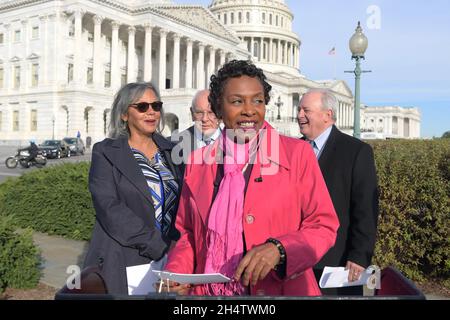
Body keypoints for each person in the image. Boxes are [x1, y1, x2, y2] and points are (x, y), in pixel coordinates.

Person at [160, 60, 339, 296]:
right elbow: (187, 234)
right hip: (209, 294)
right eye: (236, 101)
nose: (249, 110)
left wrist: (280, 250)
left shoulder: (297, 154)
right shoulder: (197, 163)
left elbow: (323, 226)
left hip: (280, 291)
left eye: (258, 100)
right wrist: (176, 274)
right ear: (218, 109)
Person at [84, 82, 183, 295]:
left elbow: (186, 204)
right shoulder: (105, 152)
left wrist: (177, 246)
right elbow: (109, 207)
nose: (151, 112)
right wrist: (156, 245)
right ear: (124, 114)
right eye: (142, 107)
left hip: (172, 257)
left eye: (156, 106)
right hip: (125, 256)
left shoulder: (172, 151)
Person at [297, 88, 379, 295]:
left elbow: (365, 209)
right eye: (299, 110)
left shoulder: (355, 151)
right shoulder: (293, 149)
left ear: (328, 115)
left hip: (338, 263)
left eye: (306, 110)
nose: (299, 115)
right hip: (296, 261)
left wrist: (359, 255)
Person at [171, 89, 221, 166]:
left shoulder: (234, 143)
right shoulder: (173, 144)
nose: (204, 119)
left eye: (211, 112)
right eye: (199, 113)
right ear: (192, 113)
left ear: (220, 113)